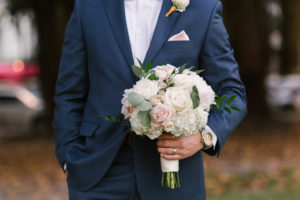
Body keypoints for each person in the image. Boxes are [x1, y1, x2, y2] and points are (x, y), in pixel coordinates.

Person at [53, 0, 247, 199]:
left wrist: (203, 137)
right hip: (98, 171)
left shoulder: (203, 8)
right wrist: (69, 157)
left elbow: (232, 92)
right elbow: (70, 92)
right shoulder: (88, 7)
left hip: (173, 174)